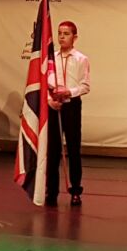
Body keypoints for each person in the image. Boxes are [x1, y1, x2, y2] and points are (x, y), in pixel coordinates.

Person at [46, 20, 90, 205]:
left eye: (66, 34)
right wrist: (50, 101)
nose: (62, 37)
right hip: (54, 105)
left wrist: (69, 92)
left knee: (73, 148)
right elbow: (45, 84)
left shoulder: (81, 59)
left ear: (74, 37)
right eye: (60, 33)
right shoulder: (51, 58)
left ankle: (75, 190)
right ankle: (51, 191)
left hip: (71, 106)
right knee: (53, 150)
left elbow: (85, 86)